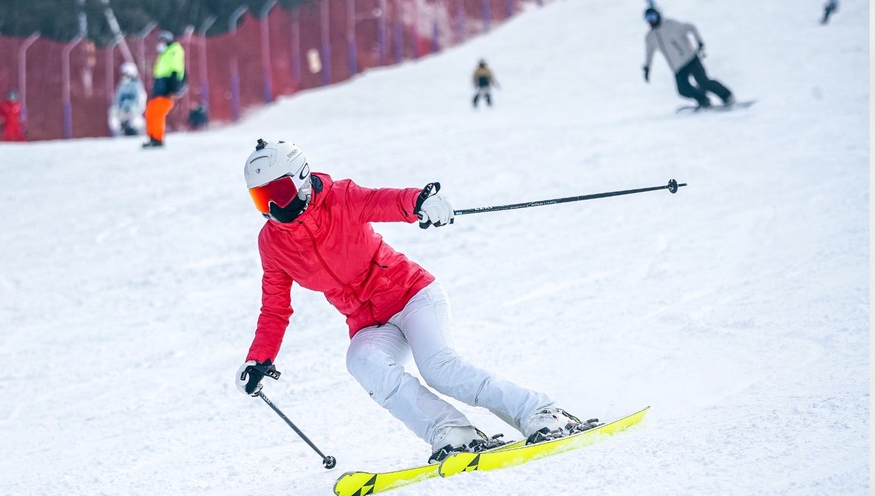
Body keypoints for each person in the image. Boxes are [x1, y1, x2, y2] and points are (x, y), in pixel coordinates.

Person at [234, 139, 590, 463]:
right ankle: (453, 432)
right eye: (261, 199)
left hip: (411, 295)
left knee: (440, 368)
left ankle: (541, 412)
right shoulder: (273, 243)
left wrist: (421, 202)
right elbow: (275, 308)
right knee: (361, 360)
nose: (273, 207)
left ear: (300, 177)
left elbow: (382, 201)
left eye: (278, 192)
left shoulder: (339, 197)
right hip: (368, 321)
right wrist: (259, 358)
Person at [642, 7, 733, 109]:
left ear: (658, 15)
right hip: (677, 66)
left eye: (653, 17)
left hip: (690, 58)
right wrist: (647, 67)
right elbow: (649, 53)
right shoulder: (650, 37)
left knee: (703, 81)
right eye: (648, 18)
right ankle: (703, 100)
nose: (651, 20)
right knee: (683, 90)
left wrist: (699, 41)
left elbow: (691, 27)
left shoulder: (672, 25)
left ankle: (727, 96)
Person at [143, 30, 185, 148]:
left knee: (158, 114)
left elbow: (176, 69)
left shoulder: (174, 50)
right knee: (150, 112)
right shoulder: (164, 53)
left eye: (162, 41)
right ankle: (152, 137)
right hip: (159, 87)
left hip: (167, 87)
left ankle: (157, 138)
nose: (160, 44)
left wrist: (173, 89)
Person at [110, 62, 147, 136]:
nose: (124, 76)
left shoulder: (137, 85)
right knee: (114, 121)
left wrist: (137, 109)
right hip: (122, 111)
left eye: (126, 74)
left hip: (133, 111)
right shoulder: (121, 85)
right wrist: (116, 108)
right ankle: (120, 134)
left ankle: (136, 133)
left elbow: (140, 99)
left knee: (136, 123)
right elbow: (118, 98)